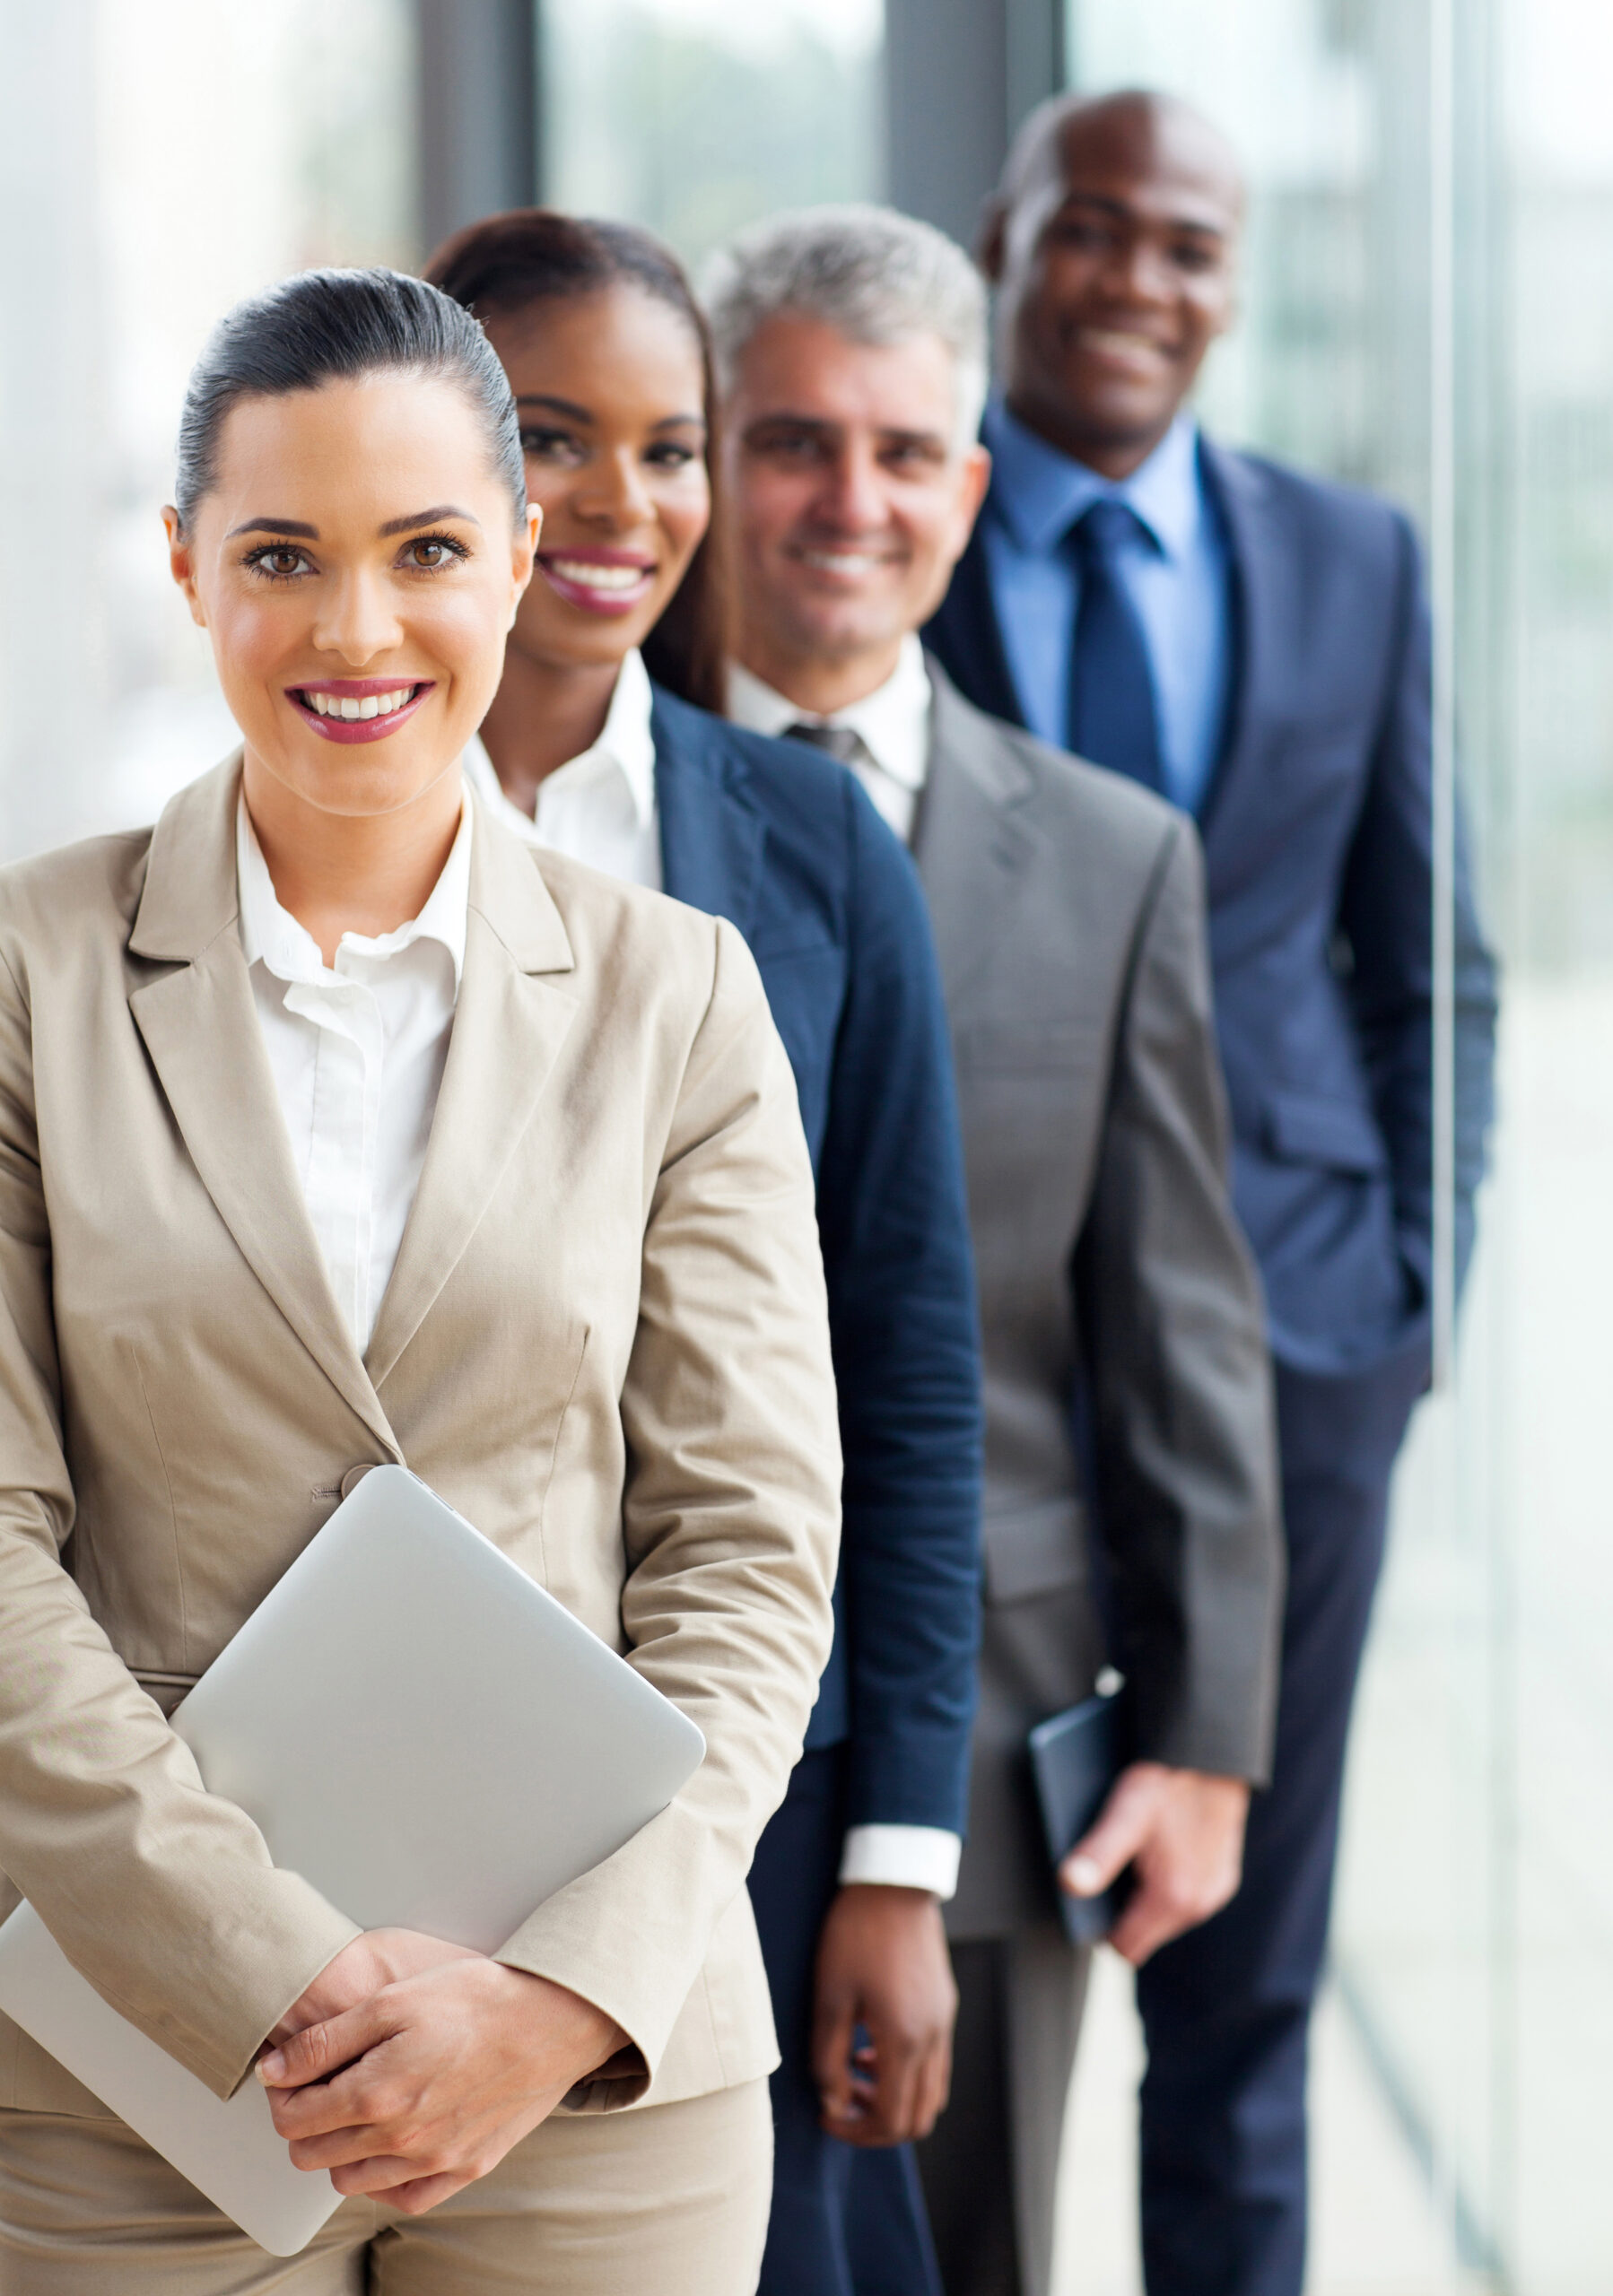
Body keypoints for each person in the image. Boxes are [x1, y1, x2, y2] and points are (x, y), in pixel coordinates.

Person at [0, 265, 845, 2295]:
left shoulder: (679, 994)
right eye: (281, 554)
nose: (356, 629)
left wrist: (546, 2000)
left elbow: (749, 1554)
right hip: (133, 2063)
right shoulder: (26, 977)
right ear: (186, 565)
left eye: (428, 551)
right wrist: (268, 1966)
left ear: (524, 561)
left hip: (593, 2069)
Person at [923, 91, 1499, 2296]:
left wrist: (1409, 1292)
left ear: (1227, 281)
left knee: (1245, 1997)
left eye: (1185, 246)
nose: (1137, 283)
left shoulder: (1352, 556)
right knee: (960, 1982)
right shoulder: (894, 522)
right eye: (1093, 231)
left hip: (1296, 1361)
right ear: (1003, 240)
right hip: (979, 1368)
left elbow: (1423, 958)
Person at [703, 203, 1285, 2296]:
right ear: (706, 452)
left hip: (987, 1723)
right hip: (649, 1722)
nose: (844, 501)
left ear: (964, 484)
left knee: (976, 2259)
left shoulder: (1116, 858)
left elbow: (1180, 1333)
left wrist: (1206, 1736)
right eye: (786, 440)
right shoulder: (586, 811)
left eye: (897, 451)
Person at [423, 213, 984, 2296]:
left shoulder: (811, 848)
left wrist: (895, 1857)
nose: (618, 502)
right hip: (385, 1763)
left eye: (672, 447)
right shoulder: (290, 830)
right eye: (543, 431)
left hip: (753, 1780)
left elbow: (906, 1362)